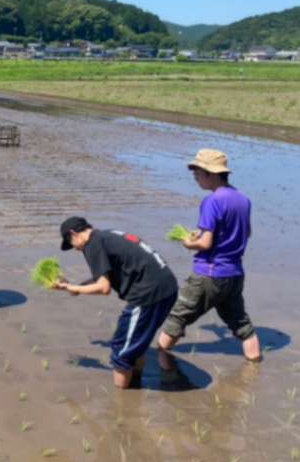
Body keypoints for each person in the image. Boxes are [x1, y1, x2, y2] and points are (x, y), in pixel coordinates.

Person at [158, 149, 261, 362]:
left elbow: (206, 243)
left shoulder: (212, 201)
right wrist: (205, 234)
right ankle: (254, 365)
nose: (195, 177)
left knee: (177, 318)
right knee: (241, 324)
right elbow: (246, 232)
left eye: (197, 173)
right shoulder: (243, 199)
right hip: (234, 274)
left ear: (211, 173)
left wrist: (189, 242)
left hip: (210, 273)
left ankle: (159, 363)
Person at [55, 216, 178, 389]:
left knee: (121, 352)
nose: (75, 249)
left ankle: (122, 404)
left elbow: (103, 288)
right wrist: (76, 287)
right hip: (168, 287)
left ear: (74, 234)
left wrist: (72, 288)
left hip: (148, 295)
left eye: (71, 244)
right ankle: (136, 385)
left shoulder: (92, 245)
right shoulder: (107, 236)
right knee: (137, 343)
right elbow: (106, 275)